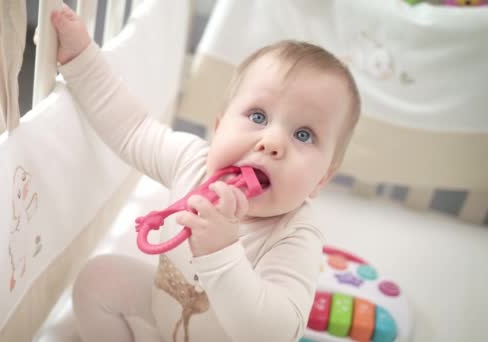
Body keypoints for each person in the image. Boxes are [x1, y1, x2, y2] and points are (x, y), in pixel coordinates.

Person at [51, 4, 360, 341]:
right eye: (258, 116)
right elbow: (131, 128)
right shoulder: (192, 163)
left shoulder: (294, 236)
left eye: (303, 135)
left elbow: (276, 332)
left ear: (321, 180)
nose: (272, 142)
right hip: (164, 305)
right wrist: (81, 59)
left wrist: (222, 252)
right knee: (97, 280)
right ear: (218, 126)